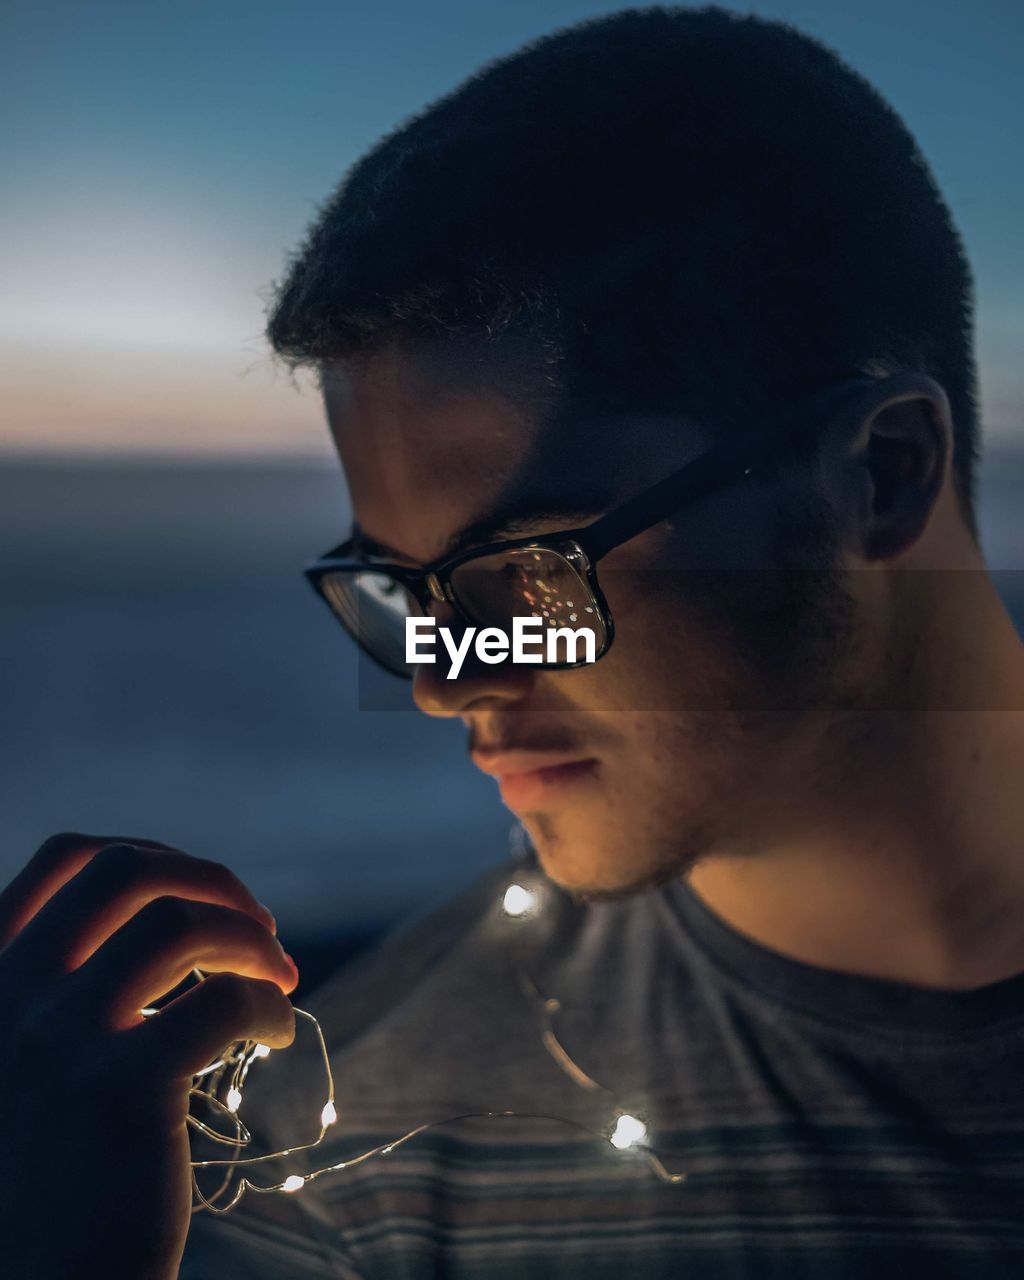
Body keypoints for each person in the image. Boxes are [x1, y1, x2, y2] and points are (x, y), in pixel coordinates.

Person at [2, 5, 1022, 1277]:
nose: (440, 680)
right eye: (401, 589)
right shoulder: (359, 1163)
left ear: (883, 472)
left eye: (528, 573)